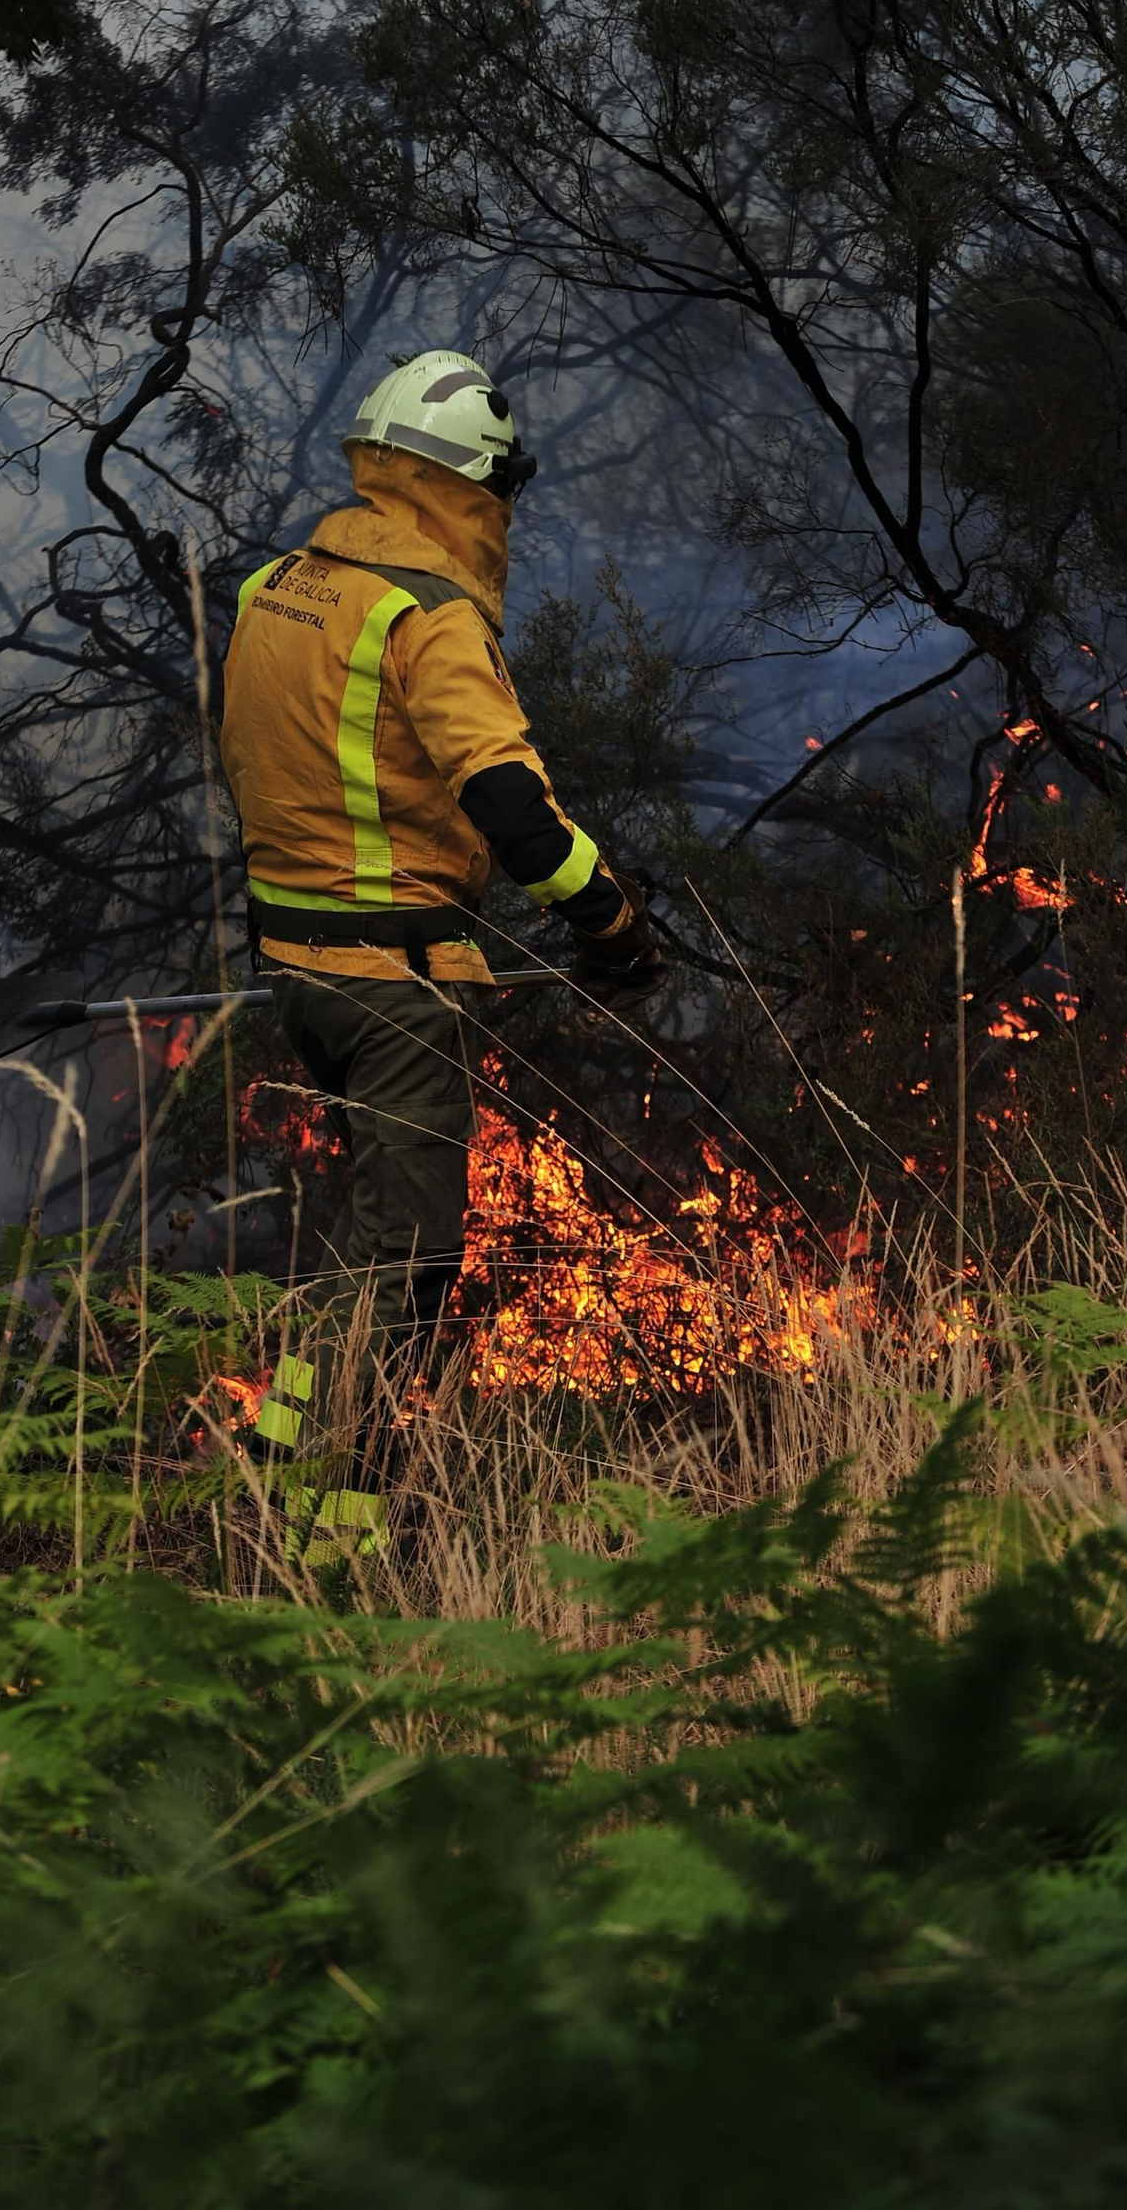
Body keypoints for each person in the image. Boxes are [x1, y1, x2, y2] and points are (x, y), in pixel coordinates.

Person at [219, 349, 666, 1557]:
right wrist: (611, 922)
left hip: (300, 976)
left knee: (364, 1245)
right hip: (394, 991)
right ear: (470, 487)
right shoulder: (429, 616)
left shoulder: (276, 589)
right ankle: (325, 1532)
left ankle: (268, 1476)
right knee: (407, 1275)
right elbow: (514, 811)